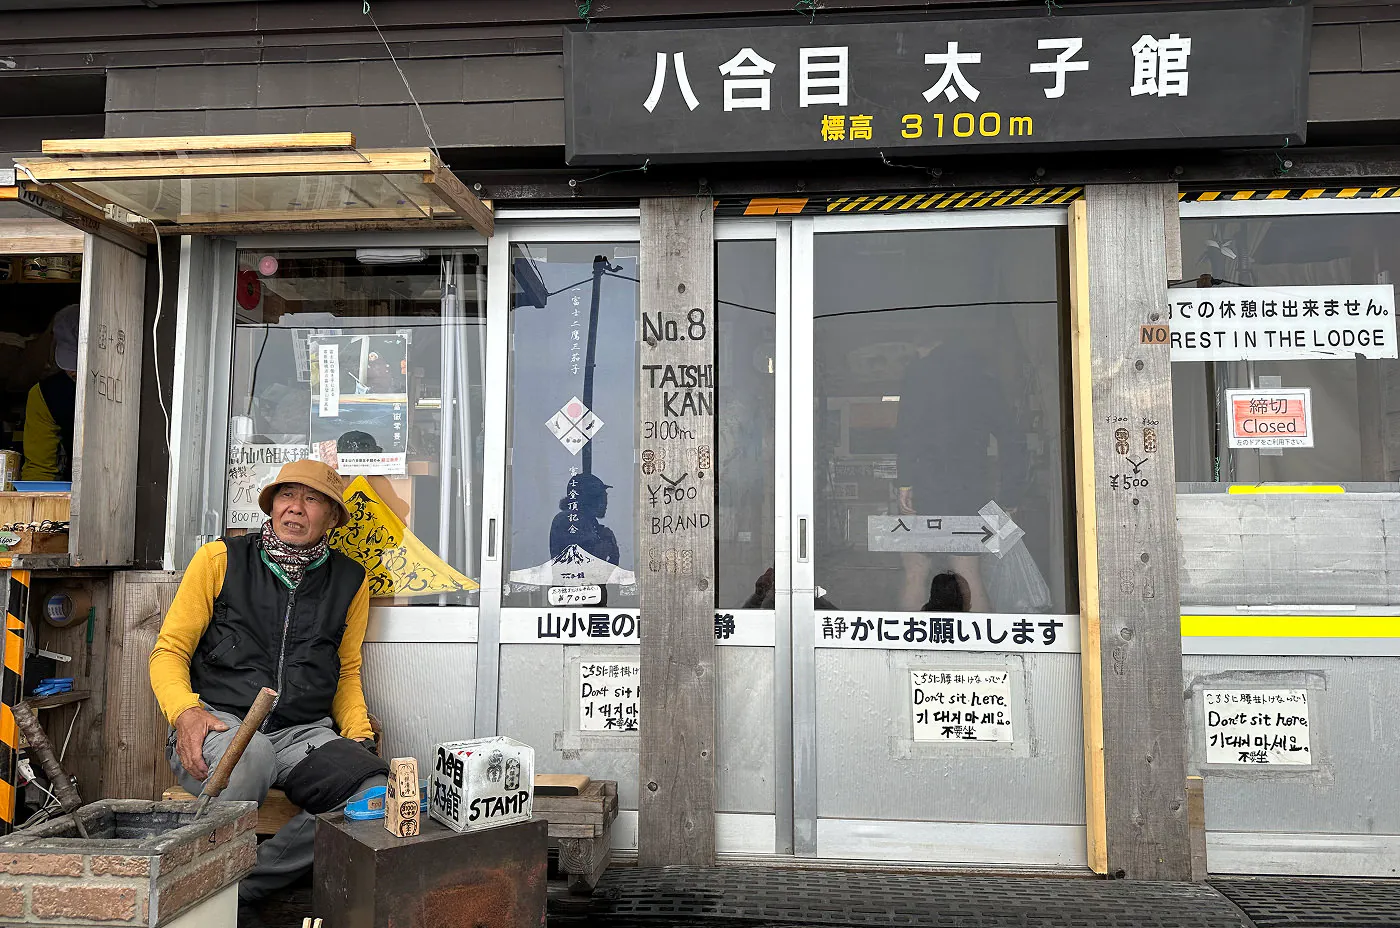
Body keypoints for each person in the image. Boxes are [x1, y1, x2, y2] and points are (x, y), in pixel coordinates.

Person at [149, 459, 386, 928]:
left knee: (375, 793)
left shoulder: (350, 579)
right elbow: (169, 651)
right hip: (219, 721)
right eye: (286, 495)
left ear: (331, 518)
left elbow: (346, 671)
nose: (295, 508)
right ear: (272, 505)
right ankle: (212, 896)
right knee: (251, 753)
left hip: (301, 731)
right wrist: (185, 712)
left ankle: (241, 890)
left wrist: (359, 735)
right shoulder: (220, 559)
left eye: (312, 499)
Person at [894, 328, 1025, 612]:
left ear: (927, 343)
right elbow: (1012, 439)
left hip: (924, 485)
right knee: (969, 573)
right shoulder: (983, 380)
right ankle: (979, 638)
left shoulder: (919, 375)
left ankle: (908, 638)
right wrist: (1010, 495)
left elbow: (907, 432)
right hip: (970, 487)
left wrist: (904, 483)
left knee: (915, 572)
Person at [21, 304, 79, 481]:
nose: (74, 371)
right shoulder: (45, 395)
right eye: (71, 359)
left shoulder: (139, 390)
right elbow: (39, 470)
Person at [549, 472, 620, 565]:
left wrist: (614, 553)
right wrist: (605, 544)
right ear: (588, 498)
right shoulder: (567, 520)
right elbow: (583, 562)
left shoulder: (591, 523)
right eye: (601, 497)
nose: (605, 502)